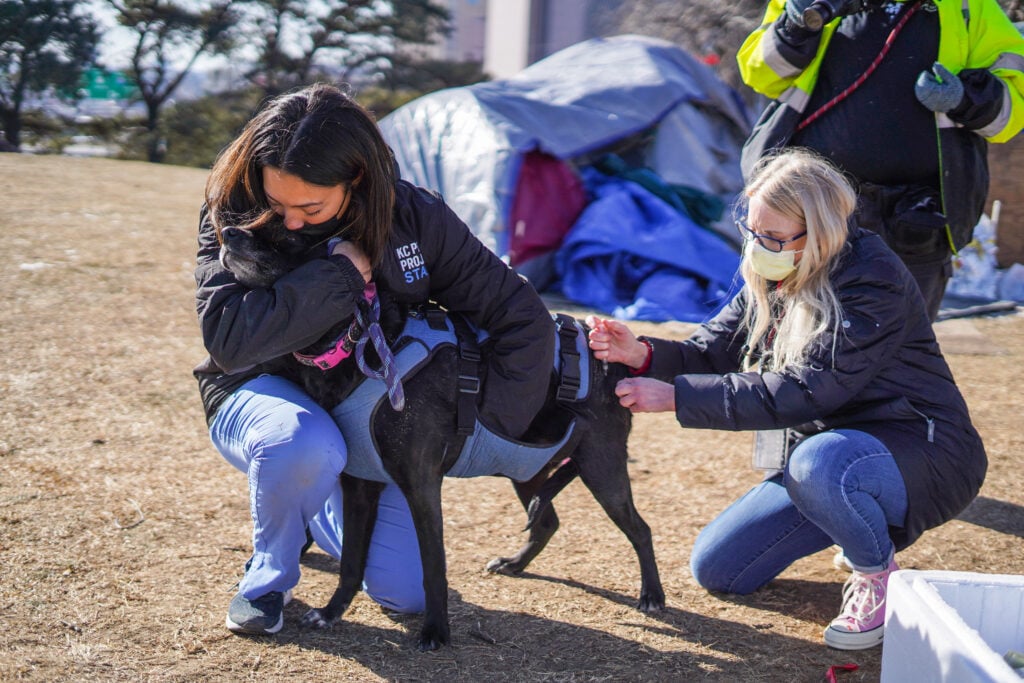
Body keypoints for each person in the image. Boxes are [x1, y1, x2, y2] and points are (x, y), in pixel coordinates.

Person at [586, 149, 986, 650]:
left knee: (817, 461)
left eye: (774, 238)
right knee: (720, 569)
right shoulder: (780, 269)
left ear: (819, 232)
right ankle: (855, 515)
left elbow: (806, 390)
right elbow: (711, 351)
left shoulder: (873, 279)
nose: (759, 247)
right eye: (754, 232)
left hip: (923, 452)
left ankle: (877, 575)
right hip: (832, 455)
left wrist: (676, 398)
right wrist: (641, 352)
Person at [193, 82, 555, 635]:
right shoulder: (233, 205)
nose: (290, 220)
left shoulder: (411, 216)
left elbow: (517, 312)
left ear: (356, 177)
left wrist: (490, 424)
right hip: (261, 389)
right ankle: (266, 582)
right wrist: (339, 276)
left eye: (310, 206)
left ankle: (311, 501)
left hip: (362, 406)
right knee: (301, 443)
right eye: (277, 203)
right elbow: (230, 339)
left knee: (405, 593)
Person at [736, 0, 1024, 321]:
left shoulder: (970, 9)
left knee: (900, 341)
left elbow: (1012, 110)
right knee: (793, 329)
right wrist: (797, 24)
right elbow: (759, 73)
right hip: (814, 210)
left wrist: (965, 100)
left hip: (916, 219)